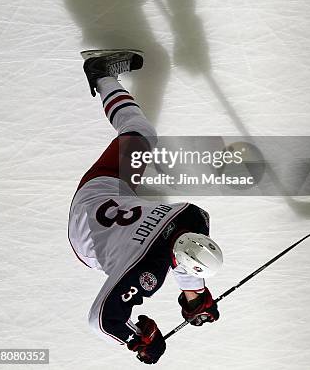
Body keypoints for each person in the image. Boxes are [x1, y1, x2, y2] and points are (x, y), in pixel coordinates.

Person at [68, 50, 223, 365]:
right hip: (95, 215)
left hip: (97, 204)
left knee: (141, 135)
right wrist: (139, 340)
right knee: (143, 143)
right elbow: (101, 321)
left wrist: (195, 299)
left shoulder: (193, 216)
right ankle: (98, 72)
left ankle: (102, 75)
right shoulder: (145, 271)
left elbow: (179, 253)